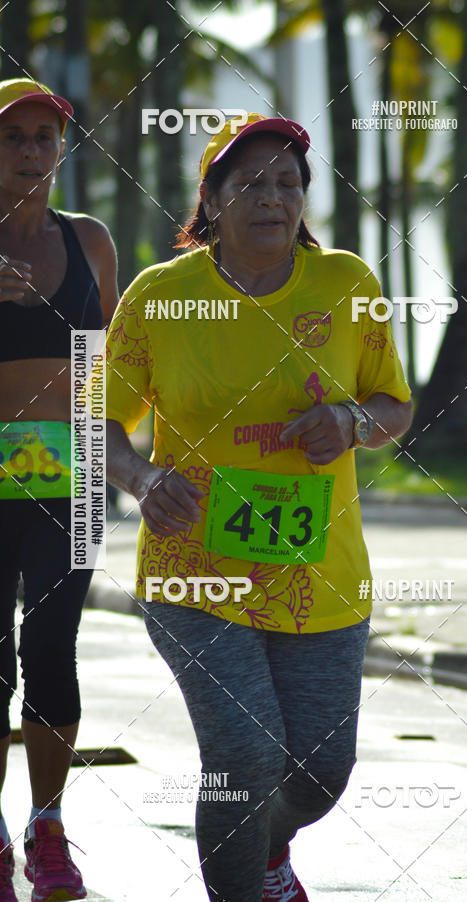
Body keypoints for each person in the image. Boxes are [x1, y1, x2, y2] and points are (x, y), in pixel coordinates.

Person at [104, 112, 412, 902]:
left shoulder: (349, 285)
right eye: (251, 182)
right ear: (211, 201)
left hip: (320, 572)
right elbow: (95, 420)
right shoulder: (160, 297)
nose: (273, 196)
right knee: (245, 757)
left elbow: (393, 406)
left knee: (319, 771)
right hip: (195, 568)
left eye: (289, 182)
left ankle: (265, 853)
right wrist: (141, 480)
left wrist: (348, 422)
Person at [0, 79, 118, 902]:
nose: (31, 151)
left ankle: (48, 826)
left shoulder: (91, 240)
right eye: (13, 137)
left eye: (45, 136)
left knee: (50, 650)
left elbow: (112, 362)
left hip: (66, 479)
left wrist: (130, 465)